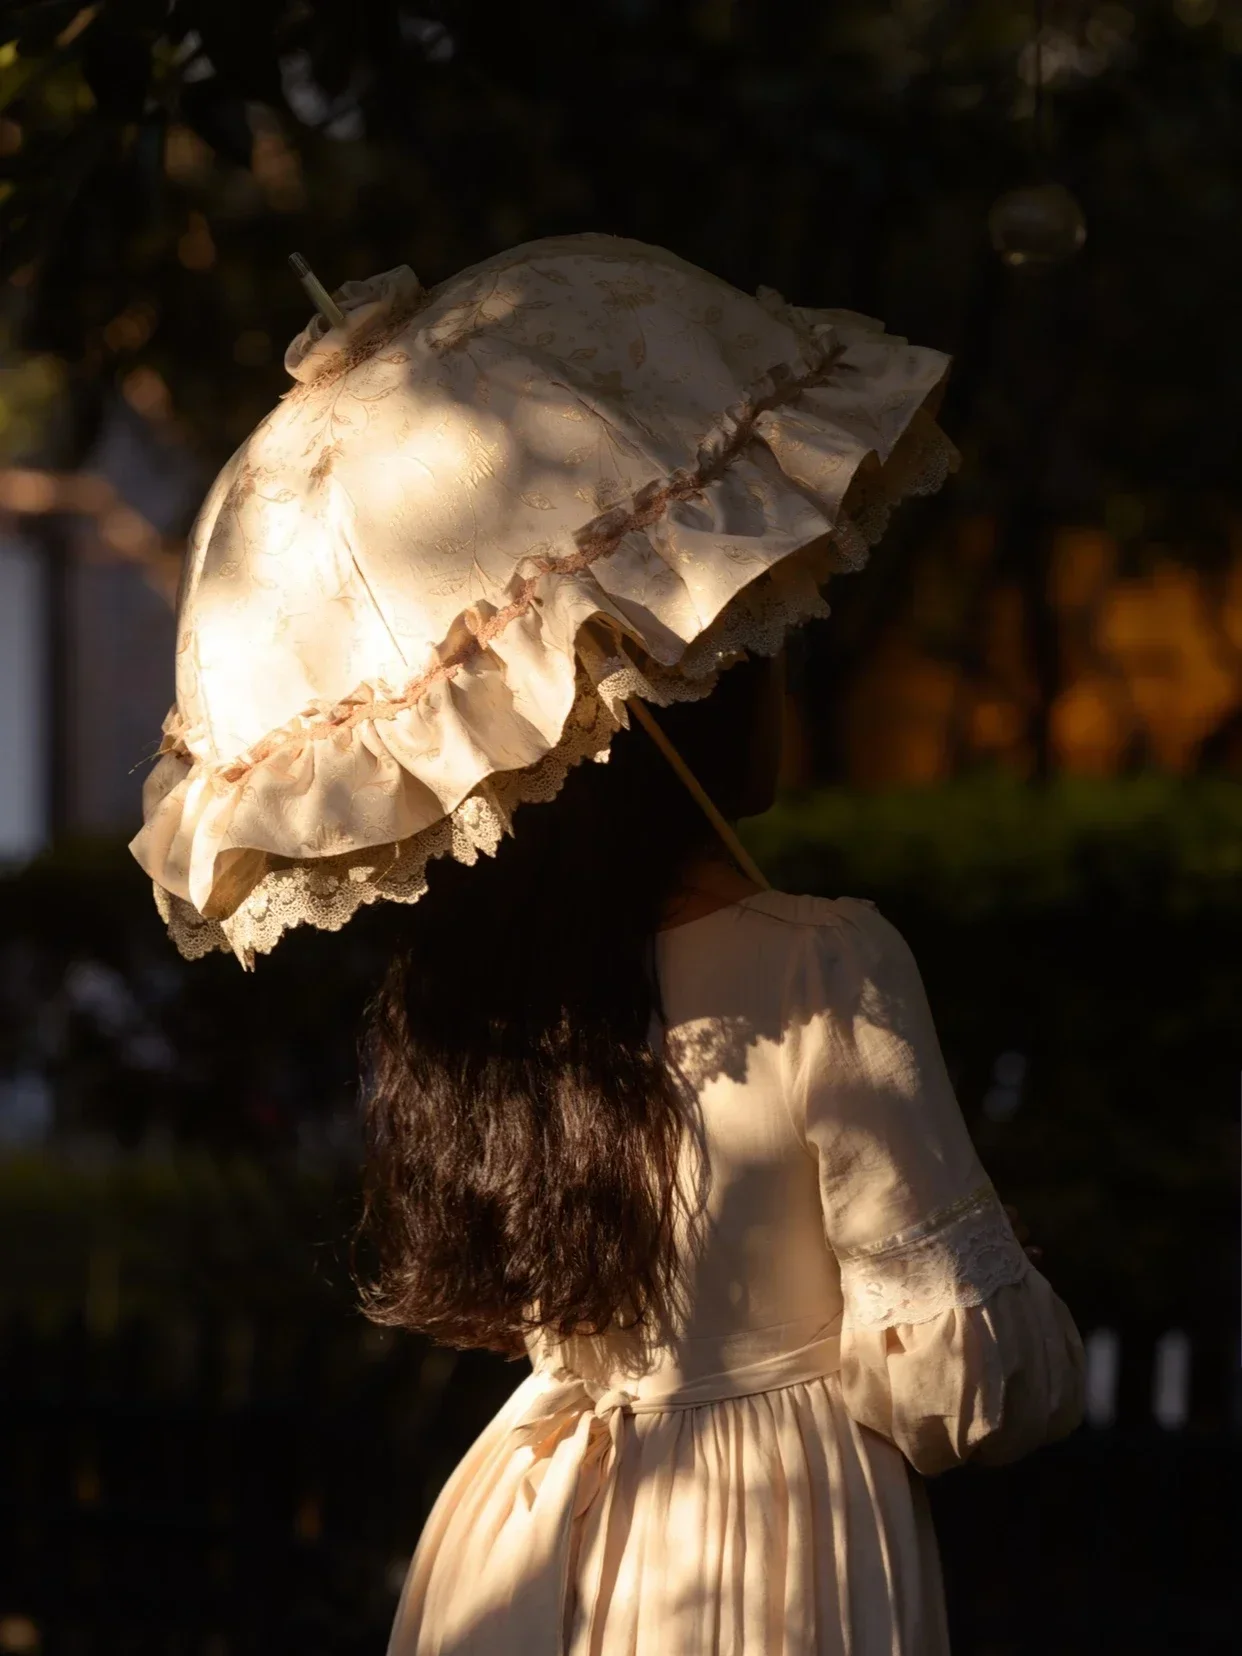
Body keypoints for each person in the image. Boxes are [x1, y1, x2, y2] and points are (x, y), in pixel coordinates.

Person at [361, 648, 1085, 1656]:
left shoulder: (492, 990)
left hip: (519, 1537)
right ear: (695, 707)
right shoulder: (822, 960)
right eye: (771, 658)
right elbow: (958, 1389)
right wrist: (1005, 1286)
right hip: (766, 1531)